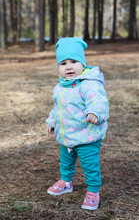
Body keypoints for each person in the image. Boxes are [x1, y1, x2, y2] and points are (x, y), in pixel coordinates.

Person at [46, 37, 109, 210]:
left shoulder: (89, 84)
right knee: (65, 162)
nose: (68, 67)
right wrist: (51, 122)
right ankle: (66, 182)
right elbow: (57, 108)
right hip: (67, 137)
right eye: (63, 63)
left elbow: (98, 101)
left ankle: (93, 191)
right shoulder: (60, 87)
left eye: (74, 61)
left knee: (90, 165)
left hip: (87, 136)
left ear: (82, 64)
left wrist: (94, 112)